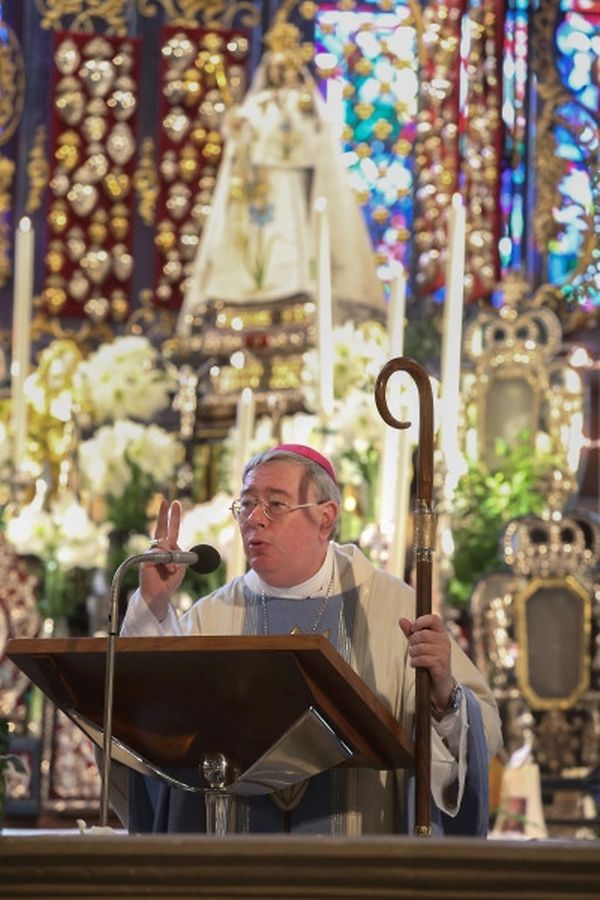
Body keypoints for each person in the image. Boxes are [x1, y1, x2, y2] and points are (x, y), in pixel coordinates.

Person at [119, 443, 503, 835]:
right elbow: (147, 726)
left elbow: (484, 732)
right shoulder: (213, 617)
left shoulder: (393, 609)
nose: (255, 519)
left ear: (326, 519)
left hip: (358, 865)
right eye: (247, 504)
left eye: (276, 504)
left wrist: (443, 694)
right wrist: (153, 602)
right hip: (235, 872)